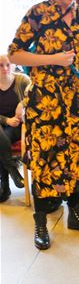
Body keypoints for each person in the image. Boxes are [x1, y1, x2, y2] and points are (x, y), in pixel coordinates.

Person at [8, 0, 79, 250]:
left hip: (77, 103)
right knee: (45, 158)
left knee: (75, 157)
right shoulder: (38, 13)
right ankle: (40, 220)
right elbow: (15, 53)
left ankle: (75, 214)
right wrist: (52, 59)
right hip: (46, 104)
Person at [0, 55, 29, 202]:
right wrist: (6, 120)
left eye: (8, 64)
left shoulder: (22, 80)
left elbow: (35, 92)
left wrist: (22, 103)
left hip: (17, 126)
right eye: (0, 65)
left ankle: (4, 186)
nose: (5, 68)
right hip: (4, 124)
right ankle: (12, 169)